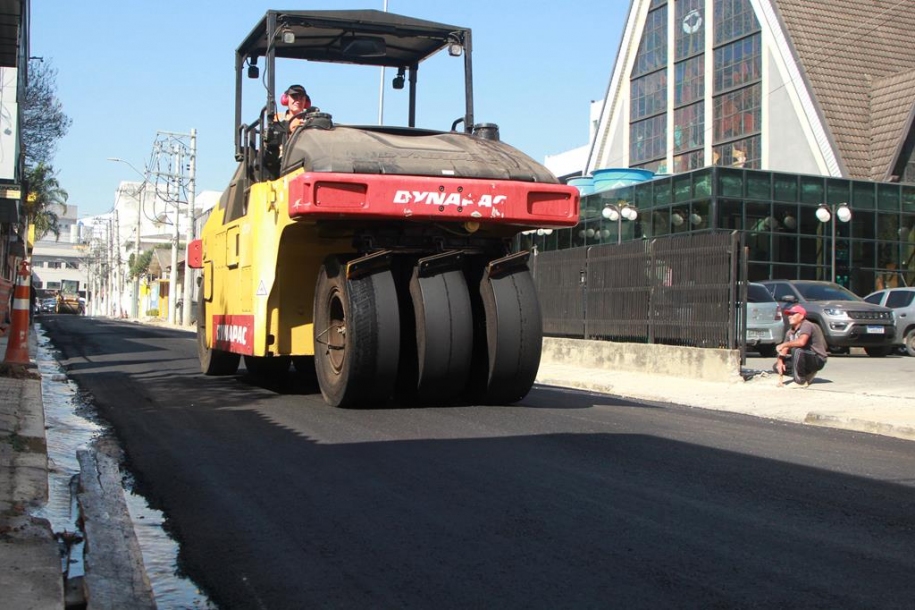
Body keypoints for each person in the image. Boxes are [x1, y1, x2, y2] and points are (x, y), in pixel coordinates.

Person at [774, 305, 828, 387]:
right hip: (801, 357)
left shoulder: (807, 325)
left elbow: (801, 342)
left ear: (801, 316)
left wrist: (783, 344)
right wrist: (780, 362)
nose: (789, 317)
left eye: (793, 314)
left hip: (817, 358)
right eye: (789, 314)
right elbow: (784, 349)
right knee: (776, 366)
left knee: (797, 350)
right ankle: (806, 374)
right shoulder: (790, 332)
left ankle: (800, 382)